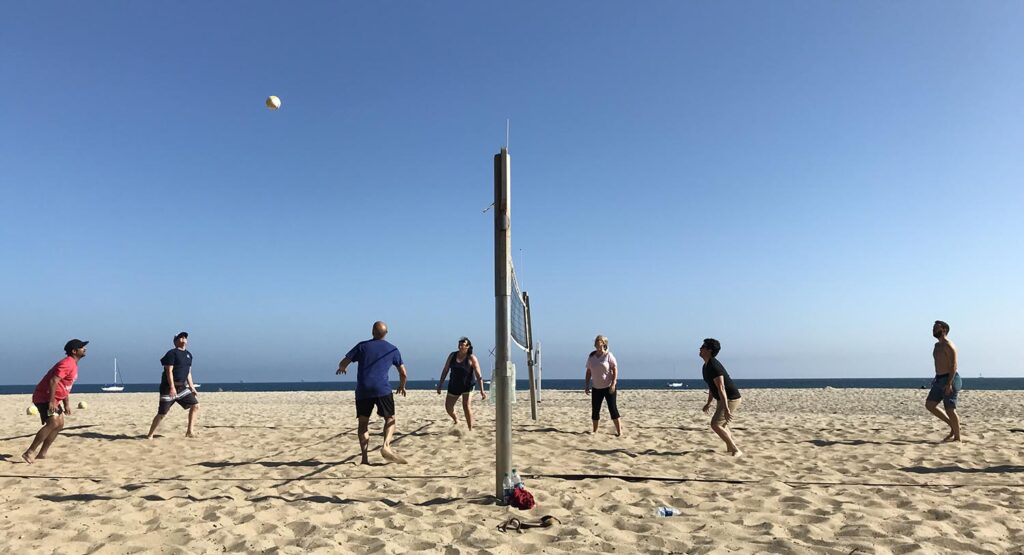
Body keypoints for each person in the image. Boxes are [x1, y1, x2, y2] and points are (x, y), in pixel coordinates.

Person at [337, 321, 409, 465]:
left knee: (363, 423)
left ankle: (364, 458)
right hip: (382, 389)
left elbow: (344, 362)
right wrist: (402, 386)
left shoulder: (362, 346)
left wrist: (342, 368)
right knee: (390, 418)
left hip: (363, 389)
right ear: (386, 333)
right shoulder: (392, 349)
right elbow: (403, 373)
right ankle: (386, 445)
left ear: (372, 332)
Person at [23, 339, 88, 464]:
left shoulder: (73, 364)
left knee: (60, 424)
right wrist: (51, 401)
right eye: (82, 347)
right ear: (74, 351)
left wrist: (66, 404)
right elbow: (53, 381)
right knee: (53, 423)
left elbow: (65, 386)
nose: (85, 349)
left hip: (55, 399)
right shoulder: (67, 363)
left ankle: (42, 453)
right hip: (44, 397)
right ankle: (29, 452)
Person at [147, 332, 200, 439]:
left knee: (196, 405)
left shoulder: (189, 355)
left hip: (182, 388)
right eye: (181, 337)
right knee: (162, 413)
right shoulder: (171, 353)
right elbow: (169, 371)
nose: (183, 339)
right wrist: (172, 387)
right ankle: (150, 434)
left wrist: (192, 387)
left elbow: (188, 372)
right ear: (175, 341)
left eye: (185, 337)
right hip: (168, 388)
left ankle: (190, 431)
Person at [699, 338, 742, 456]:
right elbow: (712, 387)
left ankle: (735, 449)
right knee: (722, 424)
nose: (700, 348)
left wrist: (727, 408)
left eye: (703, 346)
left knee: (715, 424)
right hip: (723, 398)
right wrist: (709, 403)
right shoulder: (705, 366)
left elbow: (721, 387)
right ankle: (731, 448)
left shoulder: (714, 366)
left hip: (731, 398)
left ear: (709, 350)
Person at [436, 337, 487, 430]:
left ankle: (470, 429)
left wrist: (482, 391)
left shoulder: (471, 358)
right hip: (454, 385)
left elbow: (478, 375)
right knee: (448, 407)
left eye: (462, 345)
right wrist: (440, 384)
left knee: (466, 406)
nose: (460, 347)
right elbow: (445, 370)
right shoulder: (452, 355)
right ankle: (456, 419)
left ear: (468, 347)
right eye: (459, 345)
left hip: (468, 386)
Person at [926, 320, 962, 442]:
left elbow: (953, 365)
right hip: (939, 379)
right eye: (933, 328)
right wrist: (936, 378)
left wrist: (949, 383)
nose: (933, 330)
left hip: (950, 379)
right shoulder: (937, 346)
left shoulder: (948, 345)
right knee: (930, 405)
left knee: (950, 409)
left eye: (936, 328)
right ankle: (951, 425)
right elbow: (939, 363)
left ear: (944, 330)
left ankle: (957, 437)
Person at [584, 335, 622, 436]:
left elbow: (615, 369)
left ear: (604, 344)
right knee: (595, 410)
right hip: (596, 387)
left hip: (608, 387)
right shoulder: (591, 357)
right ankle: (595, 430)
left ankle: (619, 432)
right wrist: (587, 385)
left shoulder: (608, 355)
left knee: (613, 409)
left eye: (600, 343)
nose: (598, 344)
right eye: (596, 343)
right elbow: (588, 372)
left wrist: (613, 383)